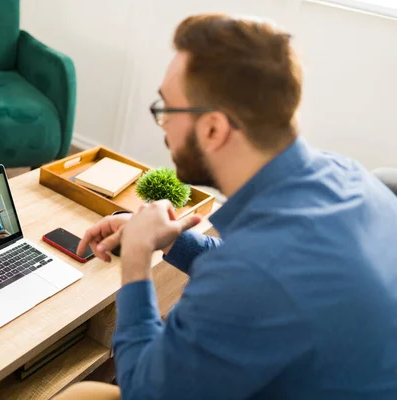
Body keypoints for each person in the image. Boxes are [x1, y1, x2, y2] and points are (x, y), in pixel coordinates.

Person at [59, 13, 397, 400]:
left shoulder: (250, 276)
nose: (163, 123)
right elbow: (269, 273)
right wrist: (172, 242)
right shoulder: (345, 175)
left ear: (214, 129)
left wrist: (136, 260)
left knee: (81, 394)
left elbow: (144, 391)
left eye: (166, 109)